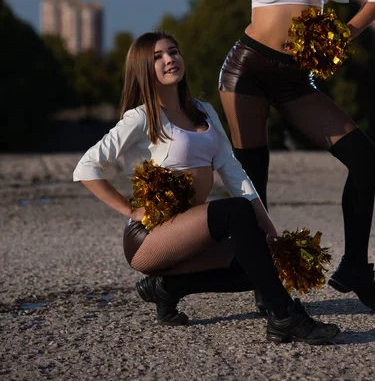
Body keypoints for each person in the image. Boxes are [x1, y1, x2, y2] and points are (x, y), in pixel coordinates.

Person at [87, 0, 375, 315]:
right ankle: (267, 294)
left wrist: (340, 38)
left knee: (366, 158)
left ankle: (355, 268)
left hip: (295, 78)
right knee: (253, 179)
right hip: (245, 71)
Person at [73, 31, 340, 344]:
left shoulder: (205, 111)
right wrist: (130, 210)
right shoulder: (142, 117)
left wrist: (268, 230)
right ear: (144, 69)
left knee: (261, 258)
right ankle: (284, 316)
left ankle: (168, 288)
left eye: (173, 51)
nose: (170, 59)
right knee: (235, 212)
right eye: (158, 57)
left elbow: (234, 173)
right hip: (150, 238)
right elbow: (86, 167)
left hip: (194, 231)